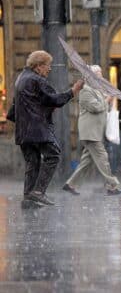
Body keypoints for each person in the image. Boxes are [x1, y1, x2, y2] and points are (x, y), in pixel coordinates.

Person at [8, 50, 83, 207]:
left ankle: (28, 197)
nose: (49, 69)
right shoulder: (37, 80)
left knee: (33, 162)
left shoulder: (21, 78)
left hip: (24, 131)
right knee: (53, 155)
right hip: (37, 129)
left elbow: (13, 111)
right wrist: (73, 91)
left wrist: (41, 110)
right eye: (48, 66)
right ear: (39, 66)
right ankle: (38, 191)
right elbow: (54, 99)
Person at [62, 65, 121, 196]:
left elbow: (103, 109)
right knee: (103, 157)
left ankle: (70, 184)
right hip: (90, 133)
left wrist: (109, 100)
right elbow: (95, 107)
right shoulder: (85, 91)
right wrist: (107, 100)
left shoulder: (97, 90)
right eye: (98, 74)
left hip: (95, 132)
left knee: (86, 162)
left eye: (101, 74)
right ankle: (113, 185)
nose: (101, 77)